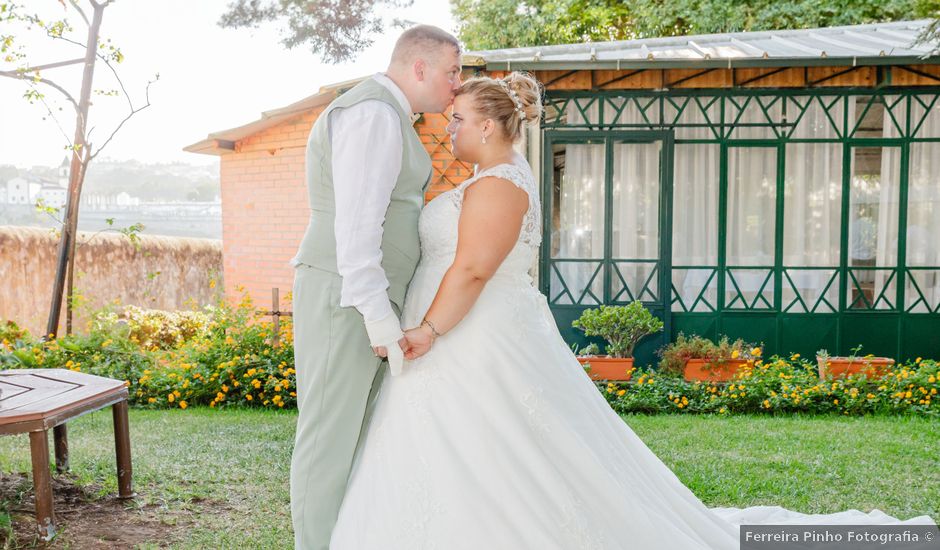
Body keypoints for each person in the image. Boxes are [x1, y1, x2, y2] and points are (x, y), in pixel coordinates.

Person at [328, 72, 935, 549]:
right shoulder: (494, 176)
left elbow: (472, 269)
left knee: (499, 448)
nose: (448, 129)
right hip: (468, 337)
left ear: (489, 127)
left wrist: (428, 329)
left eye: (458, 119)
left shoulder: (498, 184)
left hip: (472, 338)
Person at [288, 25, 461, 550]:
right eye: (453, 71)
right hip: (345, 297)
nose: (458, 83)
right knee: (327, 437)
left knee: (353, 436)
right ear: (420, 67)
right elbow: (357, 230)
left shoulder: (389, 116)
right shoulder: (372, 115)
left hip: (361, 300)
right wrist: (378, 315)